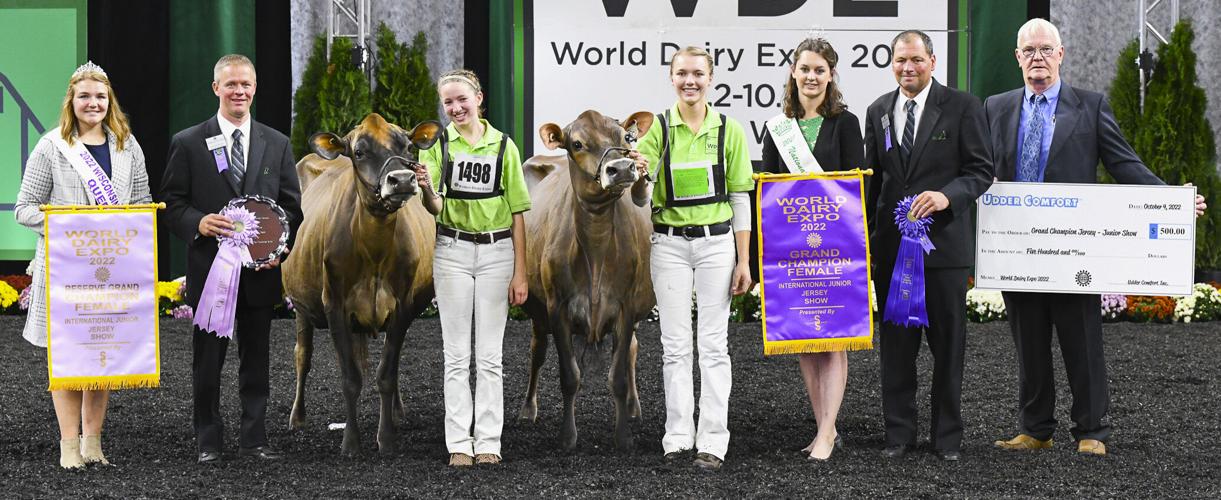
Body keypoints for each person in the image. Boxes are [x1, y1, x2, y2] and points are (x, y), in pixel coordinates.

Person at [983, 18, 1207, 457]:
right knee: (1029, 342)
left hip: (1074, 248)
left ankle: (1091, 430)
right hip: (1016, 247)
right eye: (1029, 51)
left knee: (1081, 338)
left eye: (1045, 49)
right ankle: (1035, 429)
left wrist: (1171, 200)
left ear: (1061, 54)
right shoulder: (996, 107)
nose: (1037, 58)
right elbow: (979, 165)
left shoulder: (1090, 105)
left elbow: (1124, 164)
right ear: (1017, 58)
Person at [159, 54, 302, 464]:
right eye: (231, 84)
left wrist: (280, 249)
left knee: (256, 362)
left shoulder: (277, 143)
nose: (239, 91)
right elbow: (171, 203)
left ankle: (254, 439)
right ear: (216, 88)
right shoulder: (188, 142)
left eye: (245, 84)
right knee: (207, 363)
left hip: (260, 275)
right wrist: (198, 222)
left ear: (255, 88)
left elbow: (292, 208)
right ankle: (208, 440)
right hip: (211, 275)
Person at [863, 30, 993, 462]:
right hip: (892, 255)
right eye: (901, 60)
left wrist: (945, 197)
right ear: (892, 63)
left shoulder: (963, 107)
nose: (908, 68)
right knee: (896, 351)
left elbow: (981, 171)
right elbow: (874, 184)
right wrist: (867, 242)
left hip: (944, 253)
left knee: (948, 350)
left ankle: (947, 438)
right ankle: (898, 434)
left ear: (933, 62)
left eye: (916, 60)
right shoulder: (878, 111)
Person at [15, 61, 152, 469]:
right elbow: (24, 208)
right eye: (84, 96)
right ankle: (68, 445)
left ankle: (93, 443)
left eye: (100, 96)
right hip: (65, 272)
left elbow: (142, 204)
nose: (93, 103)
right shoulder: (51, 146)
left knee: (101, 358)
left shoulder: (128, 146)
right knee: (68, 361)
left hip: (111, 271)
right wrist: (68, 223)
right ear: (71, 101)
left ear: (110, 102)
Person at [635, 46, 755, 471]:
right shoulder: (657, 129)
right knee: (674, 344)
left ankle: (713, 439)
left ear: (711, 78)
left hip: (716, 244)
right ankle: (678, 435)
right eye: (682, 73)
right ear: (671, 78)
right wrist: (640, 174)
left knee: (714, 345)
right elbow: (641, 197)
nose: (690, 81)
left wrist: (744, 261)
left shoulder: (729, 130)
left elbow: (740, 198)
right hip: (668, 244)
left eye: (698, 74)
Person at [413, 69, 530, 468]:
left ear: (479, 98)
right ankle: (459, 443)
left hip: (498, 252)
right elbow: (435, 207)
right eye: (447, 102)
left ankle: (489, 441)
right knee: (457, 355)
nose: (455, 107)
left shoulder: (505, 146)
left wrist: (521, 271)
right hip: (452, 251)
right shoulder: (437, 145)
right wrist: (427, 188)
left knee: (491, 356)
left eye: (462, 99)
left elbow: (518, 213)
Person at [755, 38, 865, 461]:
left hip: (836, 247)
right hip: (794, 251)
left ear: (831, 75)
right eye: (805, 69)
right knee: (805, 339)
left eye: (820, 70)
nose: (811, 77)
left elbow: (855, 189)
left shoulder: (846, 124)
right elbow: (768, 190)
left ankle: (826, 433)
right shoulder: (778, 127)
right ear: (793, 72)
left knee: (833, 339)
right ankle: (825, 429)